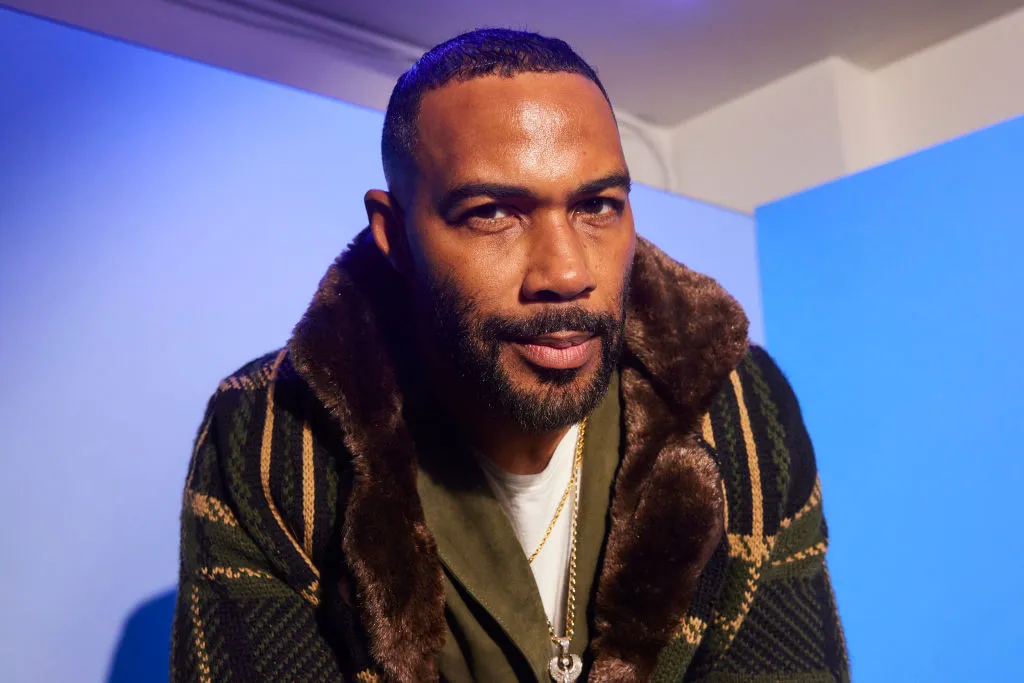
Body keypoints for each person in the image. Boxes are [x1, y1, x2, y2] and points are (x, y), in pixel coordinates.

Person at [171, 28, 848, 683]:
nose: (566, 272)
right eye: (492, 212)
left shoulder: (738, 408)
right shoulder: (272, 435)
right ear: (396, 236)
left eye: (597, 205)